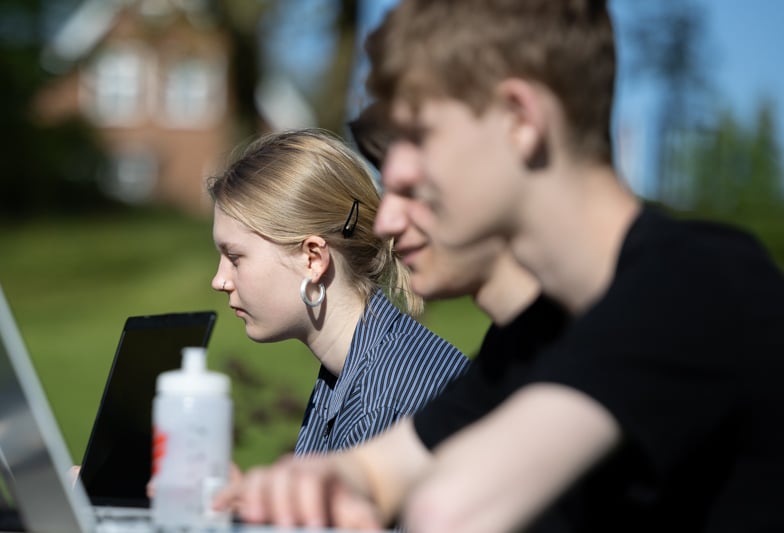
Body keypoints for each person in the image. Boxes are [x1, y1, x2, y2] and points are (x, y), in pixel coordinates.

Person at [217, 1, 784, 532]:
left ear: (520, 118)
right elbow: (372, 472)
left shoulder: (694, 283)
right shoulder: (533, 338)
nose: (389, 214)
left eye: (417, 136)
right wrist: (287, 491)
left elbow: (447, 510)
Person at [207, 128, 469, 455]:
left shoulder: (380, 407)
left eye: (234, 258)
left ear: (313, 259)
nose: (220, 280)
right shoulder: (357, 365)